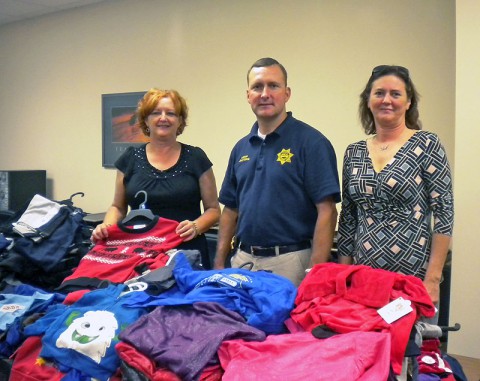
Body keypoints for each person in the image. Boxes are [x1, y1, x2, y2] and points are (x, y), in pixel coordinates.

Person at [213, 57, 341, 286]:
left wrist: (316, 271)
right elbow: (230, 209)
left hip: (292, 263)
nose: (265, 94)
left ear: (287, 93)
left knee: (286, 323)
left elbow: (328, 211)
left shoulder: (312, 143)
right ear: (248, 95)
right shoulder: (241, 148)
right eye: (257, 86)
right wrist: (220, 263)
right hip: (242, 260)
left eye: (273, 86)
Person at [337, 65, 454, 306]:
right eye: (379, 93)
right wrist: (344, 277)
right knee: (366, 343)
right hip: (364, 280)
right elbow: (348, 218)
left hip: (413, 279)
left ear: (409, 102)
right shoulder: (354, 152)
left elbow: (444, 212)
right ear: (368, 100)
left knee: (408, 344)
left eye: (395, 94)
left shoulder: (427, 144)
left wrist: (432, 280)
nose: (386, 100)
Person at [92, 88, 221, 268]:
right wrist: (106, 227)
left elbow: (214, 210)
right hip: (139, 253)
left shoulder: (196, 158)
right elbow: (117, 207)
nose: (163, 118)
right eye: (156, 113)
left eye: (171, 113)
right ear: (145, 119)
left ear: (180, 121)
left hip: (186, 253)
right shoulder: (129, 158)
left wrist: (196, 226)